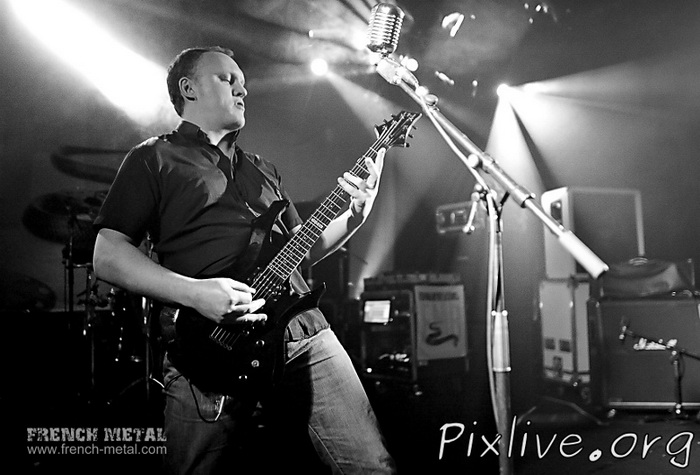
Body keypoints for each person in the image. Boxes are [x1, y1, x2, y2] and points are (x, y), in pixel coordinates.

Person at [92, 46, 396, 473]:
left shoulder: (264, 170)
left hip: (303, 333)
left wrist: (357, 215)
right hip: (210, 346)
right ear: (189, 88)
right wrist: (195, 294)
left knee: (370, 467)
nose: (243, 89)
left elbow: (301, 252)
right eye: (227, 79)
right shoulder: (153, 158)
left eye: (243, 82)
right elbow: (107, 255)